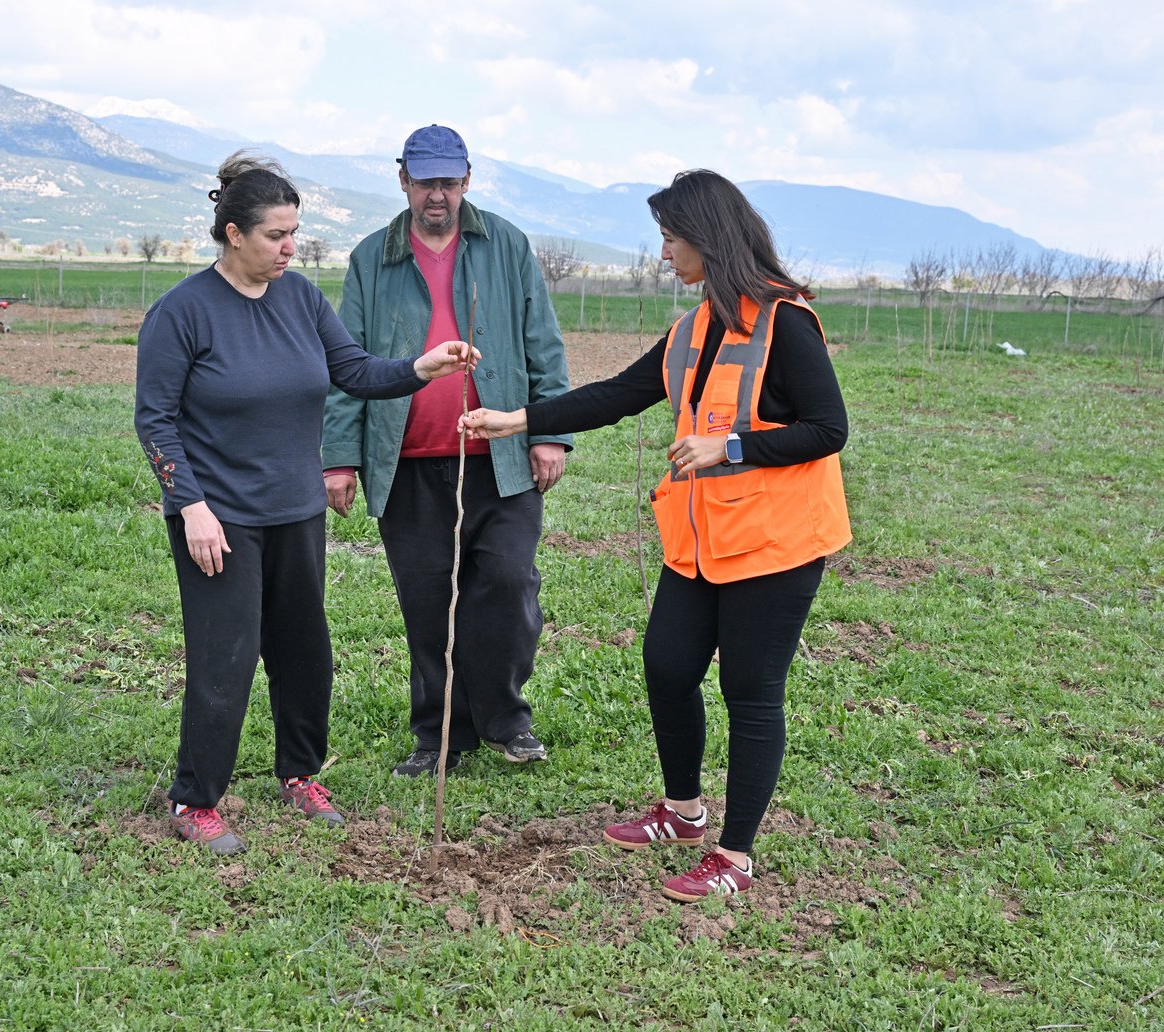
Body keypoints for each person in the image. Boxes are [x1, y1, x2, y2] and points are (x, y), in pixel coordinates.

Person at [461, 169, 851, 902]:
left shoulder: (785, 322)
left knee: (750, 690)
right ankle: (683, 813)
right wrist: (514, 419)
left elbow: (829, 429)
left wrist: (729, 447)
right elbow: (618, 396)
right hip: (701, 540)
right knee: (669, 667)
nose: (663, 254)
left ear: (708, 237)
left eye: (671, 239)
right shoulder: (696, 326)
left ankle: (734, 858)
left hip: (775, 544)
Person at [135, 152, 479, 855]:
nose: (291, 247)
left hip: (295, 509)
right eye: (275, 236)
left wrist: (422, 366)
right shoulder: (183, 313)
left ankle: (300, 773)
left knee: (305, 655)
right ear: (234, 234)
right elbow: (156, 419)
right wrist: (189, 504)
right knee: (224, 658)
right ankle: (194, 798)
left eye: (295, 233)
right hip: (219, 518)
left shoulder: (299, 300)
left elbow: (350, 369)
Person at [322, 125, 573, 778]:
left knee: (510, 585)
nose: (438, 194)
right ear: (403, 178)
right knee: (429, 605)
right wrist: (340, 457)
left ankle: (505, 717)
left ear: (467, 180)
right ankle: (439, 737)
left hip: (501, 457)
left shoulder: (507, 246)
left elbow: (542, 344)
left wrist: (548, 431)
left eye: (449, 181)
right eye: (426, 180)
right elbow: (348, 365)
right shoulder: (369, 259)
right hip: (407, 465)